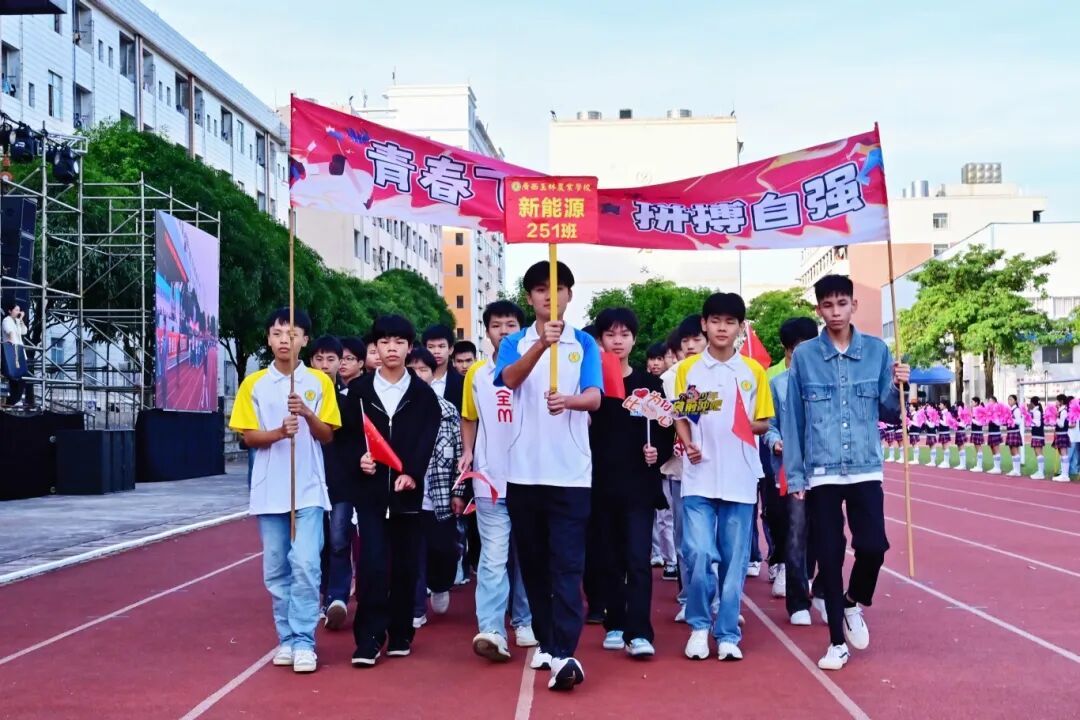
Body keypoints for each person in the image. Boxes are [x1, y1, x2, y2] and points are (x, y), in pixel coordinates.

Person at [782, 275, 909, 672]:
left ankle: (854, 601)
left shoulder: (877, 351)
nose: (835, 312)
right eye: (827, 305)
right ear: (818, 309)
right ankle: (836, 641)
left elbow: (890, 413)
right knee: (830, 554)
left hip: (865, 467)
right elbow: (794, 420)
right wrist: (796, 476)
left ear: (854, 305)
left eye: (842, 304)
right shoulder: (805, 357)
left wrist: (900, 387)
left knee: (874, 547)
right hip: (821, 471)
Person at [495, 260, 601, 691]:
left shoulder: (585, 343)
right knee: (535, 566)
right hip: (524, 472)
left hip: (571, 474)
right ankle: (548, 640)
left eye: (557, 288)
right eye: (540, 289)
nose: (549, 296)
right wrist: (541, 344)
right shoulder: (515, 342)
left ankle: (565, 652)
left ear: (569, 295)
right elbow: (508, 379)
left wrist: (569, 402)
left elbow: (595, 397)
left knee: (568, 565)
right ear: (530, 297)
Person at [228, 308, 341, 674]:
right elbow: (248, 437)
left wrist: (307, 414)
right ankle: (287, 638)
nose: (283, 341)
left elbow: (328, 435)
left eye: (291, 334)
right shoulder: (254, 384)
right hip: (269, 491)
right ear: (268, 338)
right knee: (276, 570)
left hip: (308, 490)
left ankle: (305, 640)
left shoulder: (319, 383)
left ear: (304, 340)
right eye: (277, 334)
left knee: (306, 564)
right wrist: (279, 432)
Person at [340, 314, 442, 667]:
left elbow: (427, 438)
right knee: (371, 565)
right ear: (375, 348)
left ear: (410, 347)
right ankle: (368, 638)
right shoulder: (359, 391)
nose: (392, 348)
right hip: (370, 494)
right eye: (384, 342)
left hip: (407, 494)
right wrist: (359, 459)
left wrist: (412, 472)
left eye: (399, 342)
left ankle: (400, 632)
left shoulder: (422, 395)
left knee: (405, 565)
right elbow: (347, 437)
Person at [675, 292, 772, 662]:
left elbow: (764, 421)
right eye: (715, 320)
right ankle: (700, 626)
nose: (721, 328)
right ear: (704, 324)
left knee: (734, 561)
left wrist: (745, 423)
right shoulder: (689, 370)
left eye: (730, 322)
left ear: (740, 328)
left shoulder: (752, 372)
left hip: (740, 477)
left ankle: (728, 633)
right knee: (698, 552)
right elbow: (682, 416)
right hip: (699, 476)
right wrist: (688, 444)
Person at [590, 307, 673, 659]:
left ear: (634, 340)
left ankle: (639, 631)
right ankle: (615, 623)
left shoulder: (649, 385)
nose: (618, 341)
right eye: (610, 335)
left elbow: (666, 428)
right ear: (600, 340)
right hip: (600, 484)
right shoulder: (591, 385)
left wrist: (658, 452)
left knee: (638, 558)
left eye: (624, 334)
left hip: (639, 485)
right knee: (609, 558)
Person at [463, 300, 536, 662]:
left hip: (530, 479)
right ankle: (491, 628)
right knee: (493, 557)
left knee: (526, 556)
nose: (503, 332)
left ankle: (524, 619)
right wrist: (467, 451)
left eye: (510, 325)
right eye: (496, 326)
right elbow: (469, 417)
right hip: (490, 480)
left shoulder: (536, 368)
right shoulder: (476, 374)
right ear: (486, 331)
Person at [763, 316, 821, 625]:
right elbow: (769, 425)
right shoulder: (778, 384)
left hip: (827, 469)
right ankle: (798, 601)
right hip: (793, 469)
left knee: (828, 533)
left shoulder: (829, 379)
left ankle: (820, 588)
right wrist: (775, 441)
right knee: (796, 531)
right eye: (794, 350)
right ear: (786, 351)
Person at [403, 347, 467, 627]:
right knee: (412, 553)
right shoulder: (398, 409)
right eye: (412, 369)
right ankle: (416, 608)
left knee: (443, 549)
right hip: (408, 495)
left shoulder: (448, 410)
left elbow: (460, 451)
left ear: (433, 374)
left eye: (423, 369)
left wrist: (458, 491)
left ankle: (440, 584)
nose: (418, 374)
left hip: (440, 494)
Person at [662, 319, 708, 622]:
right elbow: (673, 418)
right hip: (681, 468)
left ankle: (716, 599)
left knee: (715, 541)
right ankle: (688, 596)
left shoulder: (725, 373)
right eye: (685, 341)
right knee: (685, 537)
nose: (690, 346)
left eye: (696, 339)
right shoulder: (670, 378)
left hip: (717, 467)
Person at [309, 335, 355, 630]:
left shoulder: (349, 400)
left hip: (341, 482)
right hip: (309, 481)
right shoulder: (299, 397)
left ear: (341, 363)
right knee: (316, 543)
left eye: (331, 359)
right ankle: (323, 593)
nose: (324, 365)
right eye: (319, 359)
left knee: (339, 540)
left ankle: (337, 597)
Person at [422, 324, 464, 410]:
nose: (436, 351)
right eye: (431, 347)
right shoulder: (414, 380)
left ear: (450, 349)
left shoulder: (462, 383)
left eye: (441, 346)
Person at [1, 302, 28, 408]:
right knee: (15, 377)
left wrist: (21, 320)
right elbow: (10, 332)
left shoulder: (17, 321)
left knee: (21, 377)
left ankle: (14, 401)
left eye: (19, 310)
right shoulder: (6, 320)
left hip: (19, 352)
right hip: (12, 351)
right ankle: (13, 401)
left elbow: (24, 331)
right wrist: (12, 342)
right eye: (16, 310)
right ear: (10, 311)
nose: (18, 312)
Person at [1052, 394, 1072, 482]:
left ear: (1061, 401)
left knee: (1064, 454)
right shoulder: (1060, 410)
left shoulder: (1063, 411)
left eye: (1057, 400)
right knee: (1062, 454)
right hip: (1060, 434)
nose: (1056, 402)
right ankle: (1063, 474)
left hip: (1062, 434)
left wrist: (1055, 418)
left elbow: (1061, 424)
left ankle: (1065, 475)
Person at [1006, 395, 1026, 477]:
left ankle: (1017, 471)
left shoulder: (1016, 410)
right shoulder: (1010, 410)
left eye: (1011, 399)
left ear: (1015, 401)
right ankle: (1015, 469)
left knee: (1015, 451)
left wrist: (1010, 419)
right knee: (1012, 451)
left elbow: (1018, 421)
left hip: (1014, 432)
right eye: (1008, 399)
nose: (1009, 401)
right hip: (1010, 432)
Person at [1028, 396, 1046, 480]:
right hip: (1037, 434)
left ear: (1032, 403)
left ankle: (1041, 473)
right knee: (1038, 453)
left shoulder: (1037, 412)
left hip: (1038, 434)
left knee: (1038, 453)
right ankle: (1040, 471)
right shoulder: (1035, 411)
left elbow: (1038, 424)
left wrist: (1029, 421)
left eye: (1030, 403)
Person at [986, 395, 1004, 475]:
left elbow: (999, 422)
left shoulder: (997, 410)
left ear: (994, 402)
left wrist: (992, 419)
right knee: (992, 449)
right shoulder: (989, 410)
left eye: (990, 401)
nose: (989, 402)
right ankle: (995, 466)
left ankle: (998, 468)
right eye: (988, 401)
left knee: (996, 449)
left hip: (996, 432)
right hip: (991, 432)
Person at [969, 397, 985, 472]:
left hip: (978, 431)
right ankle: (978, 465)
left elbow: (980, 423)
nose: (971, 403)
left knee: (979, 448)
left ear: (976, 403)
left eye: (972, 402)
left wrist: (972, 419)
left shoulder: (979, 410)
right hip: (974, 431)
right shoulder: (973, 410)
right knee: (976, 448)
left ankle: (979, 466)